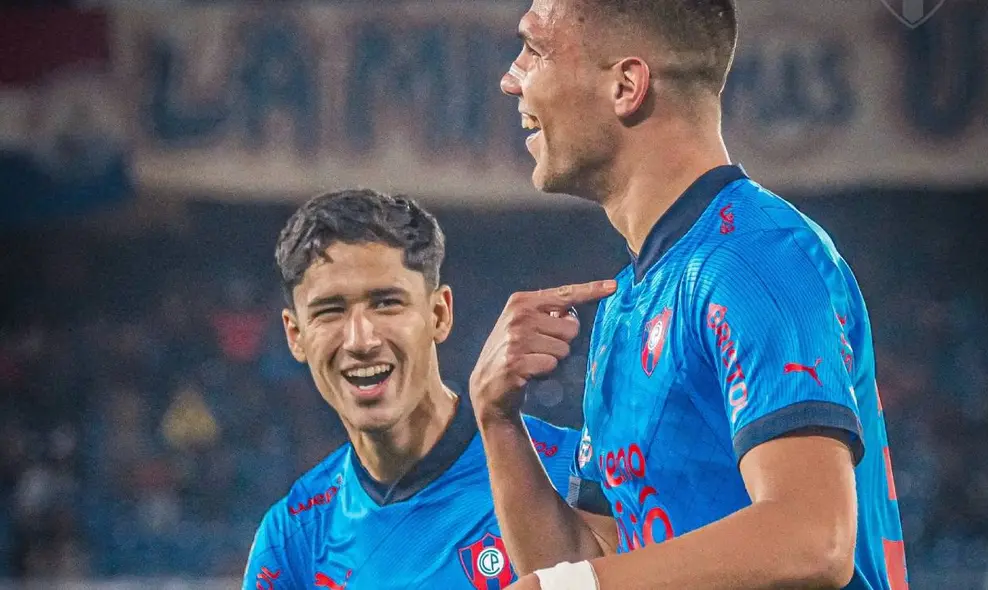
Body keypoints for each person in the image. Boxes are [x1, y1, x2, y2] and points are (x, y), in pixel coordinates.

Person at [468, 0, 908, 589]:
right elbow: (595, 558)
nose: (510, 78)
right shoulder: (628, 301)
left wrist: (575, 587)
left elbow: (813, 539)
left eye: (535, 51)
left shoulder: (756, 258)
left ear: (626, 86)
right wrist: (497, 420)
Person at [243, 189, 585, 589]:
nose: (360, 340)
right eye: (330, 311)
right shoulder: (292, 539)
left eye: (386, 303)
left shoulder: (570, 472)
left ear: (439, 314)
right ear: (295, 335)